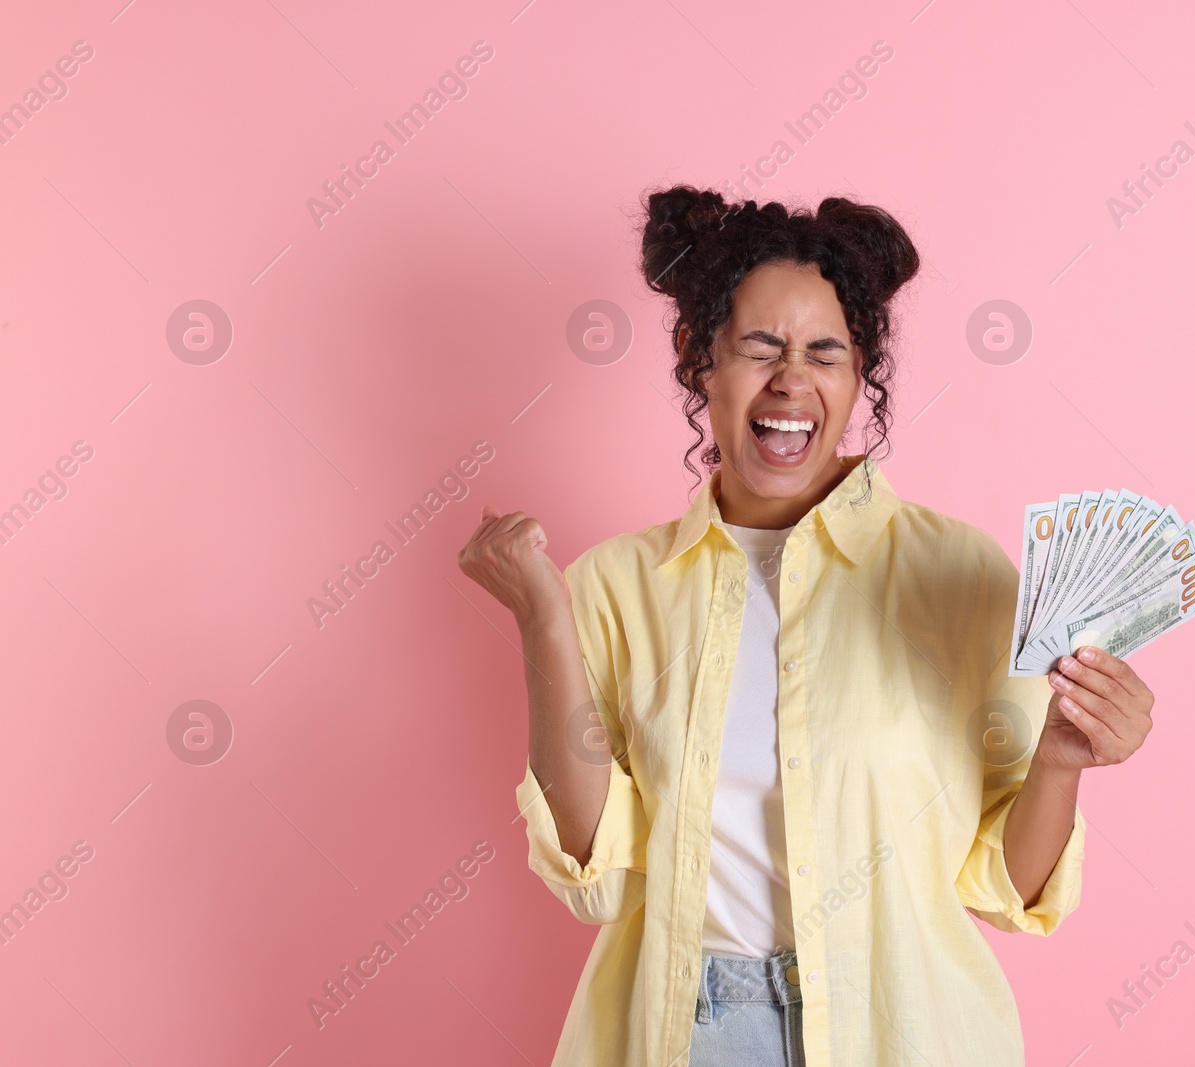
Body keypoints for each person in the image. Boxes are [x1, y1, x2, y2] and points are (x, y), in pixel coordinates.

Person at [456, 186, 1156, 1066]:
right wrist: (542, 618)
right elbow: (595, 875)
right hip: (691, 1031)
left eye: (826, 352)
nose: (792, 379)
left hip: (901, 1026)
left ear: (860, 374)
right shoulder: (615, 588)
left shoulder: (962, 578)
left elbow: (1005, 890)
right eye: (760, 347)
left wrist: (1061, 756)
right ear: (697, 358)